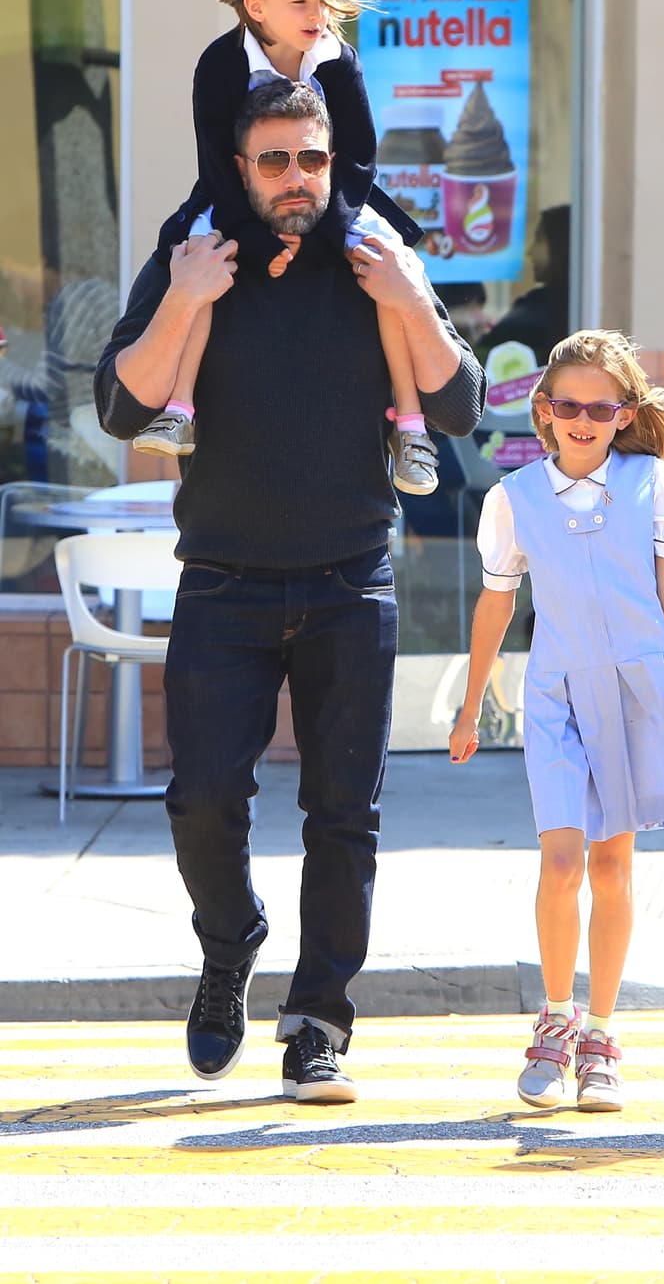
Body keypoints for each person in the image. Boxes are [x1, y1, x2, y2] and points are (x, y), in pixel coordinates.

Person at [94, 79, 484, 1103]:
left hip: (351, 582)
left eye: (311, 159)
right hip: (221, 584)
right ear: (239, 167)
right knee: (203, 799)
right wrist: (183, 295)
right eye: (275, 160)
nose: (297, 178)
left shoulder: (372, 261)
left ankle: (317, 1020)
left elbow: (456, 404)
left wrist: (410, 300)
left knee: (342, 817)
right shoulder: (198, 256)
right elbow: (120, 409)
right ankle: (230, 948)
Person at [448, 330, 664, 1111]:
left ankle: (602, 1034)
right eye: (567, 404)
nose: (582, 419)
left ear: (624, 413)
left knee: (611, 866)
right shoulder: (514, 499)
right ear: (542, 412)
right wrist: (471, 707)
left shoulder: (658, 485)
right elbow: (497, 601)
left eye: (600, 407)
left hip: (641, 689)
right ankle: (554, 1022)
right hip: (557, 695)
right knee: (562, 861)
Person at [132, 0, 441, 497]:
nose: (318, 13)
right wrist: (255, 241)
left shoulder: (338, 59)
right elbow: (218, 166)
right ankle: (179, 407)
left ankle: (413, 424)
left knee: (390, 267)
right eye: (301, 0)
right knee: (202, 262)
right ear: (255, 7)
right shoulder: (220, 64)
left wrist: (326, 237)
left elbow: (358, 158)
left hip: (338, 202)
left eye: (325, 0)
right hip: (238, 198)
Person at [474, 204, 571, 368]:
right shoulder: (557, 305)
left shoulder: (536, 311)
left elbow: (483, 355)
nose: (530, 251)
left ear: (559, 245)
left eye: (539, 239)